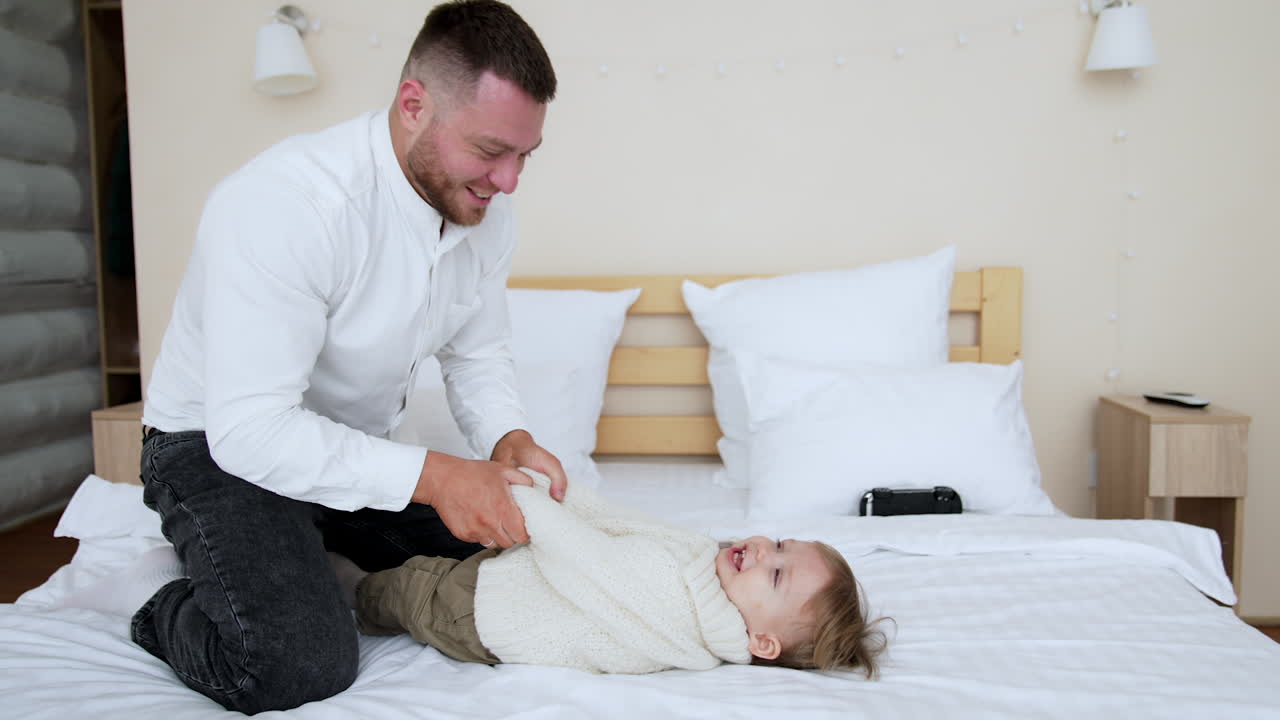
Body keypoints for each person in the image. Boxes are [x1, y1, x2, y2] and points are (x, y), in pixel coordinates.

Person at [132, 1, 563, 713]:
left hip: (349, 449)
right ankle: (166, 608)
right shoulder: (286, 205)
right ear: (413, 104)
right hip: (214, 445)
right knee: (294, 666)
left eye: (525, 156)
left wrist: (506, 437)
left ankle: (313, 536)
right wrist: (438, 477)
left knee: (524, 564)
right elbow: (253, 431)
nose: (511, 180)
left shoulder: (486, 211)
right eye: (491, 151)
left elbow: (476, 351)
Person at [332, 471, 888, 676]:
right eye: (781, 545)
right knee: (427, 539)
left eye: (775, 577)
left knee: (408, 590)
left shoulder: (680, 609)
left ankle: (350, 590)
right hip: (516, 575)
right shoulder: (710, 572)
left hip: (483, 614)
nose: (763, 551)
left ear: (763, 642)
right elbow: (626, 525)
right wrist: (569, 492)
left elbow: (588, 558)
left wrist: (534, 501)